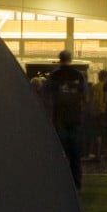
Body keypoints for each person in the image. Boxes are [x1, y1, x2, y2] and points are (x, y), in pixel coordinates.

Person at [44, 51, 86, 189]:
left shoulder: (55, 75)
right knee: (75, 154)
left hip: (59, 118)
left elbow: (47, 95)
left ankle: (59, 183)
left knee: (60, 154)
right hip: (75, 118)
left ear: (60, 59)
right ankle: (76, 184)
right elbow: (84, 96)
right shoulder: (78, 75)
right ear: (71, 59)